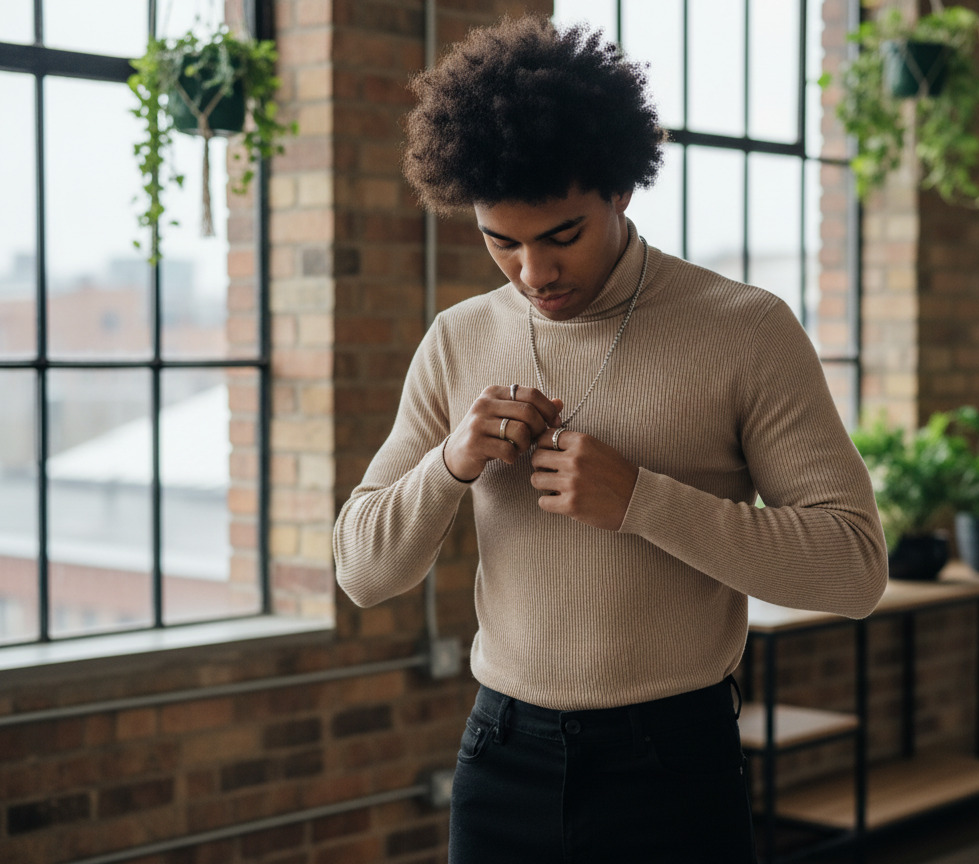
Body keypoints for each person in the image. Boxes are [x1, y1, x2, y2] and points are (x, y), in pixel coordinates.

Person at [333, 15, 888, 864]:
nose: (532, 274)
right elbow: (364, 572)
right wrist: (450, 464)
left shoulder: (744, 329)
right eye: (500, 242)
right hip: (500, 755)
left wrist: (644, 502)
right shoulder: (455, 338)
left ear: (620, 191)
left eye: (562, 235)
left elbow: (854, 568)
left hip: (673, 761)